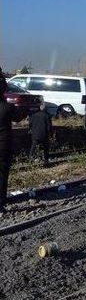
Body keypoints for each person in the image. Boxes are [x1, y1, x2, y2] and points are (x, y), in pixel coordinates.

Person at [0, 69, 16, 213]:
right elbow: (18, 117)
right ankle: (1, 200)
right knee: (3, 172)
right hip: (3, 145)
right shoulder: (7, 107)